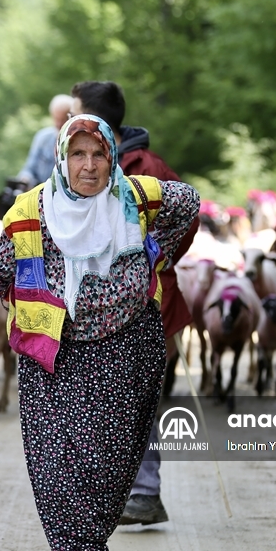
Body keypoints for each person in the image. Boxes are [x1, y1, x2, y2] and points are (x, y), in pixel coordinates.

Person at [0, 115, 199, 551]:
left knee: (112, 465)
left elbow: (190, 204)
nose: (89, 166)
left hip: (129, 347)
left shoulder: (135, 198)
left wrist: (158, 252)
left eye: (99, 154)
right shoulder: (34, 210)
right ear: (61, 157)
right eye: (78, 154)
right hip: (55, 350)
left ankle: (86, 545)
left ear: (112, 156)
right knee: (56, 468)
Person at [71, 80, 198, 527]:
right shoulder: (91, 162)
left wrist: (154, 259)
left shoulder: (145, 167)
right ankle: (115, 492)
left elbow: (189, 215)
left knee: (139, 397)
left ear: (97, 120)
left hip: (148, 301)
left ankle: (144, 492)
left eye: (74, 112)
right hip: (100, 303)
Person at [16, 94, 74, 186]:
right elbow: (29, 168)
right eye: (56, 119)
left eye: (63, 120)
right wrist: (25, 179)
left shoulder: (77, 142)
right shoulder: (42, 137)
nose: (59, 124)